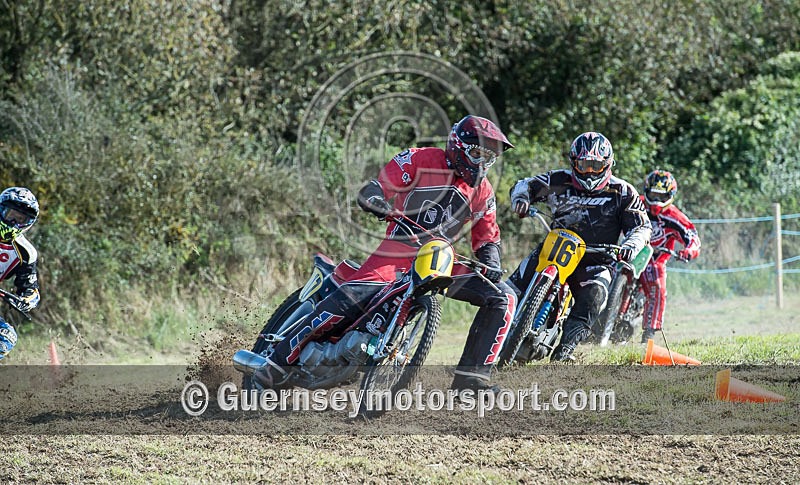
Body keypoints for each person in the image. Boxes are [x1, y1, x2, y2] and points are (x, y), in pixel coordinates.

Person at [255, 115, 518, 393]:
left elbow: (487, 237)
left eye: (488, 158)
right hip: (397, 253)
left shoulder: (483, 191)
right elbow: (378, 186)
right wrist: (376, 200)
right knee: (352, 298)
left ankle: (471, 380)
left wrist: (491, 261)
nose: (482, 164)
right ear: (457, 146)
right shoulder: (420, 158)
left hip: (441, 259)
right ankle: (276, 363)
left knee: (501, 297)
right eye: (476, 154)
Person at [508, 132, 651, 361]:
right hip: (554, 249)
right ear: (574, 163)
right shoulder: (558, 180)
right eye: (584, 165)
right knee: (510, 290)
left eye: (596, 166)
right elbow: (524, 185)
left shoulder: (623, 192)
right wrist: (521, 200)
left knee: (594, 296)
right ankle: (495, 337)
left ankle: (565, 351)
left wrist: (630, 245)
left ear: (608, 164)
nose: (590, 172)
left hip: (596, 259)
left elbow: (642, 227)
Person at [639, 169, 700, 343]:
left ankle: (650, 331)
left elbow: (692, 237)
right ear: (646, 191)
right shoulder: (636, 204)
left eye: (662, 196)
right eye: (653, 194)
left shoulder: (675, 216)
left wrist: (689, 251)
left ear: (670, 196)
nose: (657, 200)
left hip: (656, 259)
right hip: (630, 252)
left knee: (658, 286)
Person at [0, 187, 41, 360]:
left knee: (6, 337)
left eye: (21, 219)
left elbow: (31, 290)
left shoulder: (26, 253)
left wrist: (26, 300)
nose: (15, 223)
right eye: (12, 215)